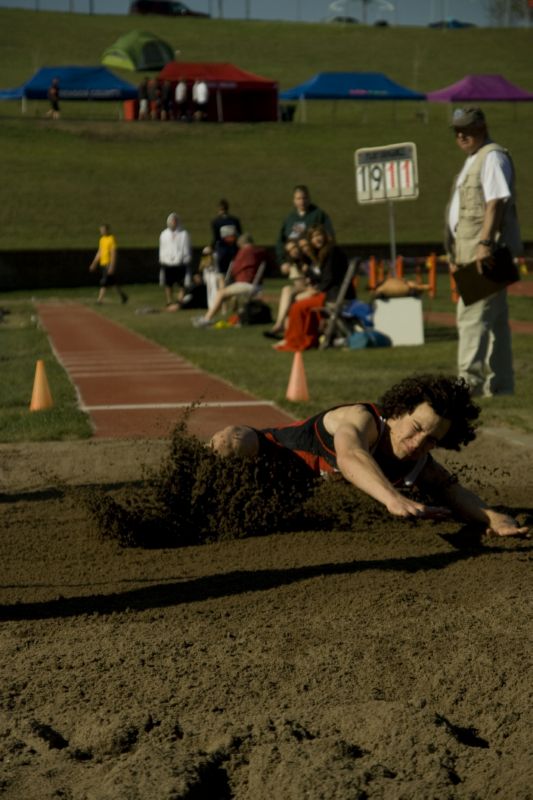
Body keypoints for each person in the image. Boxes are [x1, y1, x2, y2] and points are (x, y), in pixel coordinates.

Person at [210, 373, 528, 537]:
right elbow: (350, 457)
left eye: (432, 440)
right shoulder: (362, 419)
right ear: (399, 410)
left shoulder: (420, 463)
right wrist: (393, 498)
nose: (418, 442)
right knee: (231, 440)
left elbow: (455, 493)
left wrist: (496, 520)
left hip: (276, 501)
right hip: (267, 457)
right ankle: (191, 470)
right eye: (416, 427)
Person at [445, 107, 523, 398]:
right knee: (495, 323)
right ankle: (501, 385)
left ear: (482, 126)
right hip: (476, 250)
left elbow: (495, 202)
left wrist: (485, 243)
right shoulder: (476, 158)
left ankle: (469, 383)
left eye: (467, 128)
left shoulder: (491, 156)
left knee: (472, 317)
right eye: (456, 130)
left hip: (485, 252)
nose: (461, 135)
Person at [273, 224, 354, 352]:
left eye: (319, 235)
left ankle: (295, 341)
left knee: (297, 307)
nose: (317, 239)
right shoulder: (324, 253)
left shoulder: (331, 251)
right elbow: (322, 278)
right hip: (332, 293)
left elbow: (329, 278)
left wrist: (314, 291)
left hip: (334, 295)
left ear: (325, 236)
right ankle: (304, 339)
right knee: (301, 305)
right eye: (313, 237)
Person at [192, 233, 266, 327]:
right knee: (227, 293)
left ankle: (207, 319)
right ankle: (238, 316)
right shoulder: (260, 251)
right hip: (258, 285)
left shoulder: (243, 252)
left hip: (246, 284)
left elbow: (234, 269)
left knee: (221, 293)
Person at [264, 240, 315, 339]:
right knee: (289, 296)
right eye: (290, 250)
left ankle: (280, 325)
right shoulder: (293, 264)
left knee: (287, 291)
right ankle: (286, 330)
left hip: (313, 288)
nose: (294, 251)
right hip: (304, 289)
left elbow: (306, 283)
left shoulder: (308, 260)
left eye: (294, 247)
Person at [275, 185, 335, 266]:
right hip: (293, 262)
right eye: (298, 199)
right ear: (294, 200)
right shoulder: (290, 218)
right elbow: (280, 241)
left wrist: (309, 244)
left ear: (309, 199)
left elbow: (330, 236)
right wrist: (282, 261)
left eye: (304, 198)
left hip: (314, 261)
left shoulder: (319, 215)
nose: (302, 201)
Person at [158, 212, 193, 307]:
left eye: (175, 221)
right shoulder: (164, 234)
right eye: (172, 221)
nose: (173, 223)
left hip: (180, 262)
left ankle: (180, 299)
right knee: (168, 283)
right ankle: (169, 301)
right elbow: (162, 247)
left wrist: (186, 258)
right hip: (167, 262)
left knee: (182, 283)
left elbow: (186, 247)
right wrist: (162, 259)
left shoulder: (184, 234)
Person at [88, 224, 128, 305]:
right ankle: (123, 296)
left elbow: (113, 253)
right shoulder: (101, 239)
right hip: (103, 263)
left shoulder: (111, 239)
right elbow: (100, 252)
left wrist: (112, 266)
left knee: (104, 282)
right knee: (112, 283)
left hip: (108, 264)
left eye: (103, 230)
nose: (101, 231)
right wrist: (94, 263)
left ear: (107, 230)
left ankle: (100, 300)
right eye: (101, 230)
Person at [210, 198, 243, 275]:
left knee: (222, 272)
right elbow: (240, 235)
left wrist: (211, 247)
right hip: (233, 249)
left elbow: (216, 238)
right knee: (232, 270)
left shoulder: (216, 222)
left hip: (223, 250)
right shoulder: (234, 220)